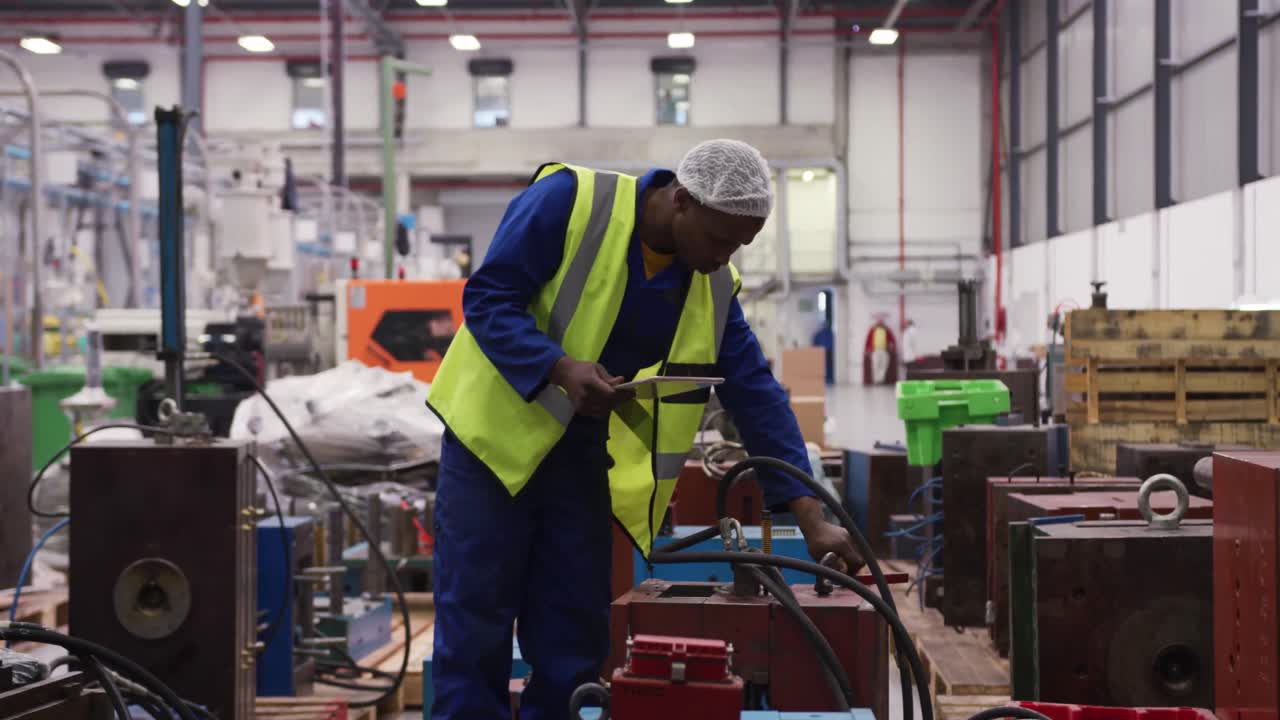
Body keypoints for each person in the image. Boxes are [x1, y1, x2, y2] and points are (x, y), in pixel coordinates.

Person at [425, 139, 865, 720]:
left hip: (576, 457)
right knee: (475, 632)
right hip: (490, 449)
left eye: (739, 245)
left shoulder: (709, 281)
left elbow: (753, 390)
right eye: (718, 238)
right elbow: (487, 299)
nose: (724, 256)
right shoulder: (568, 202)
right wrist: (560, 368)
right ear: (680, 200)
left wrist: (812, 515)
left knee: (572, 642)